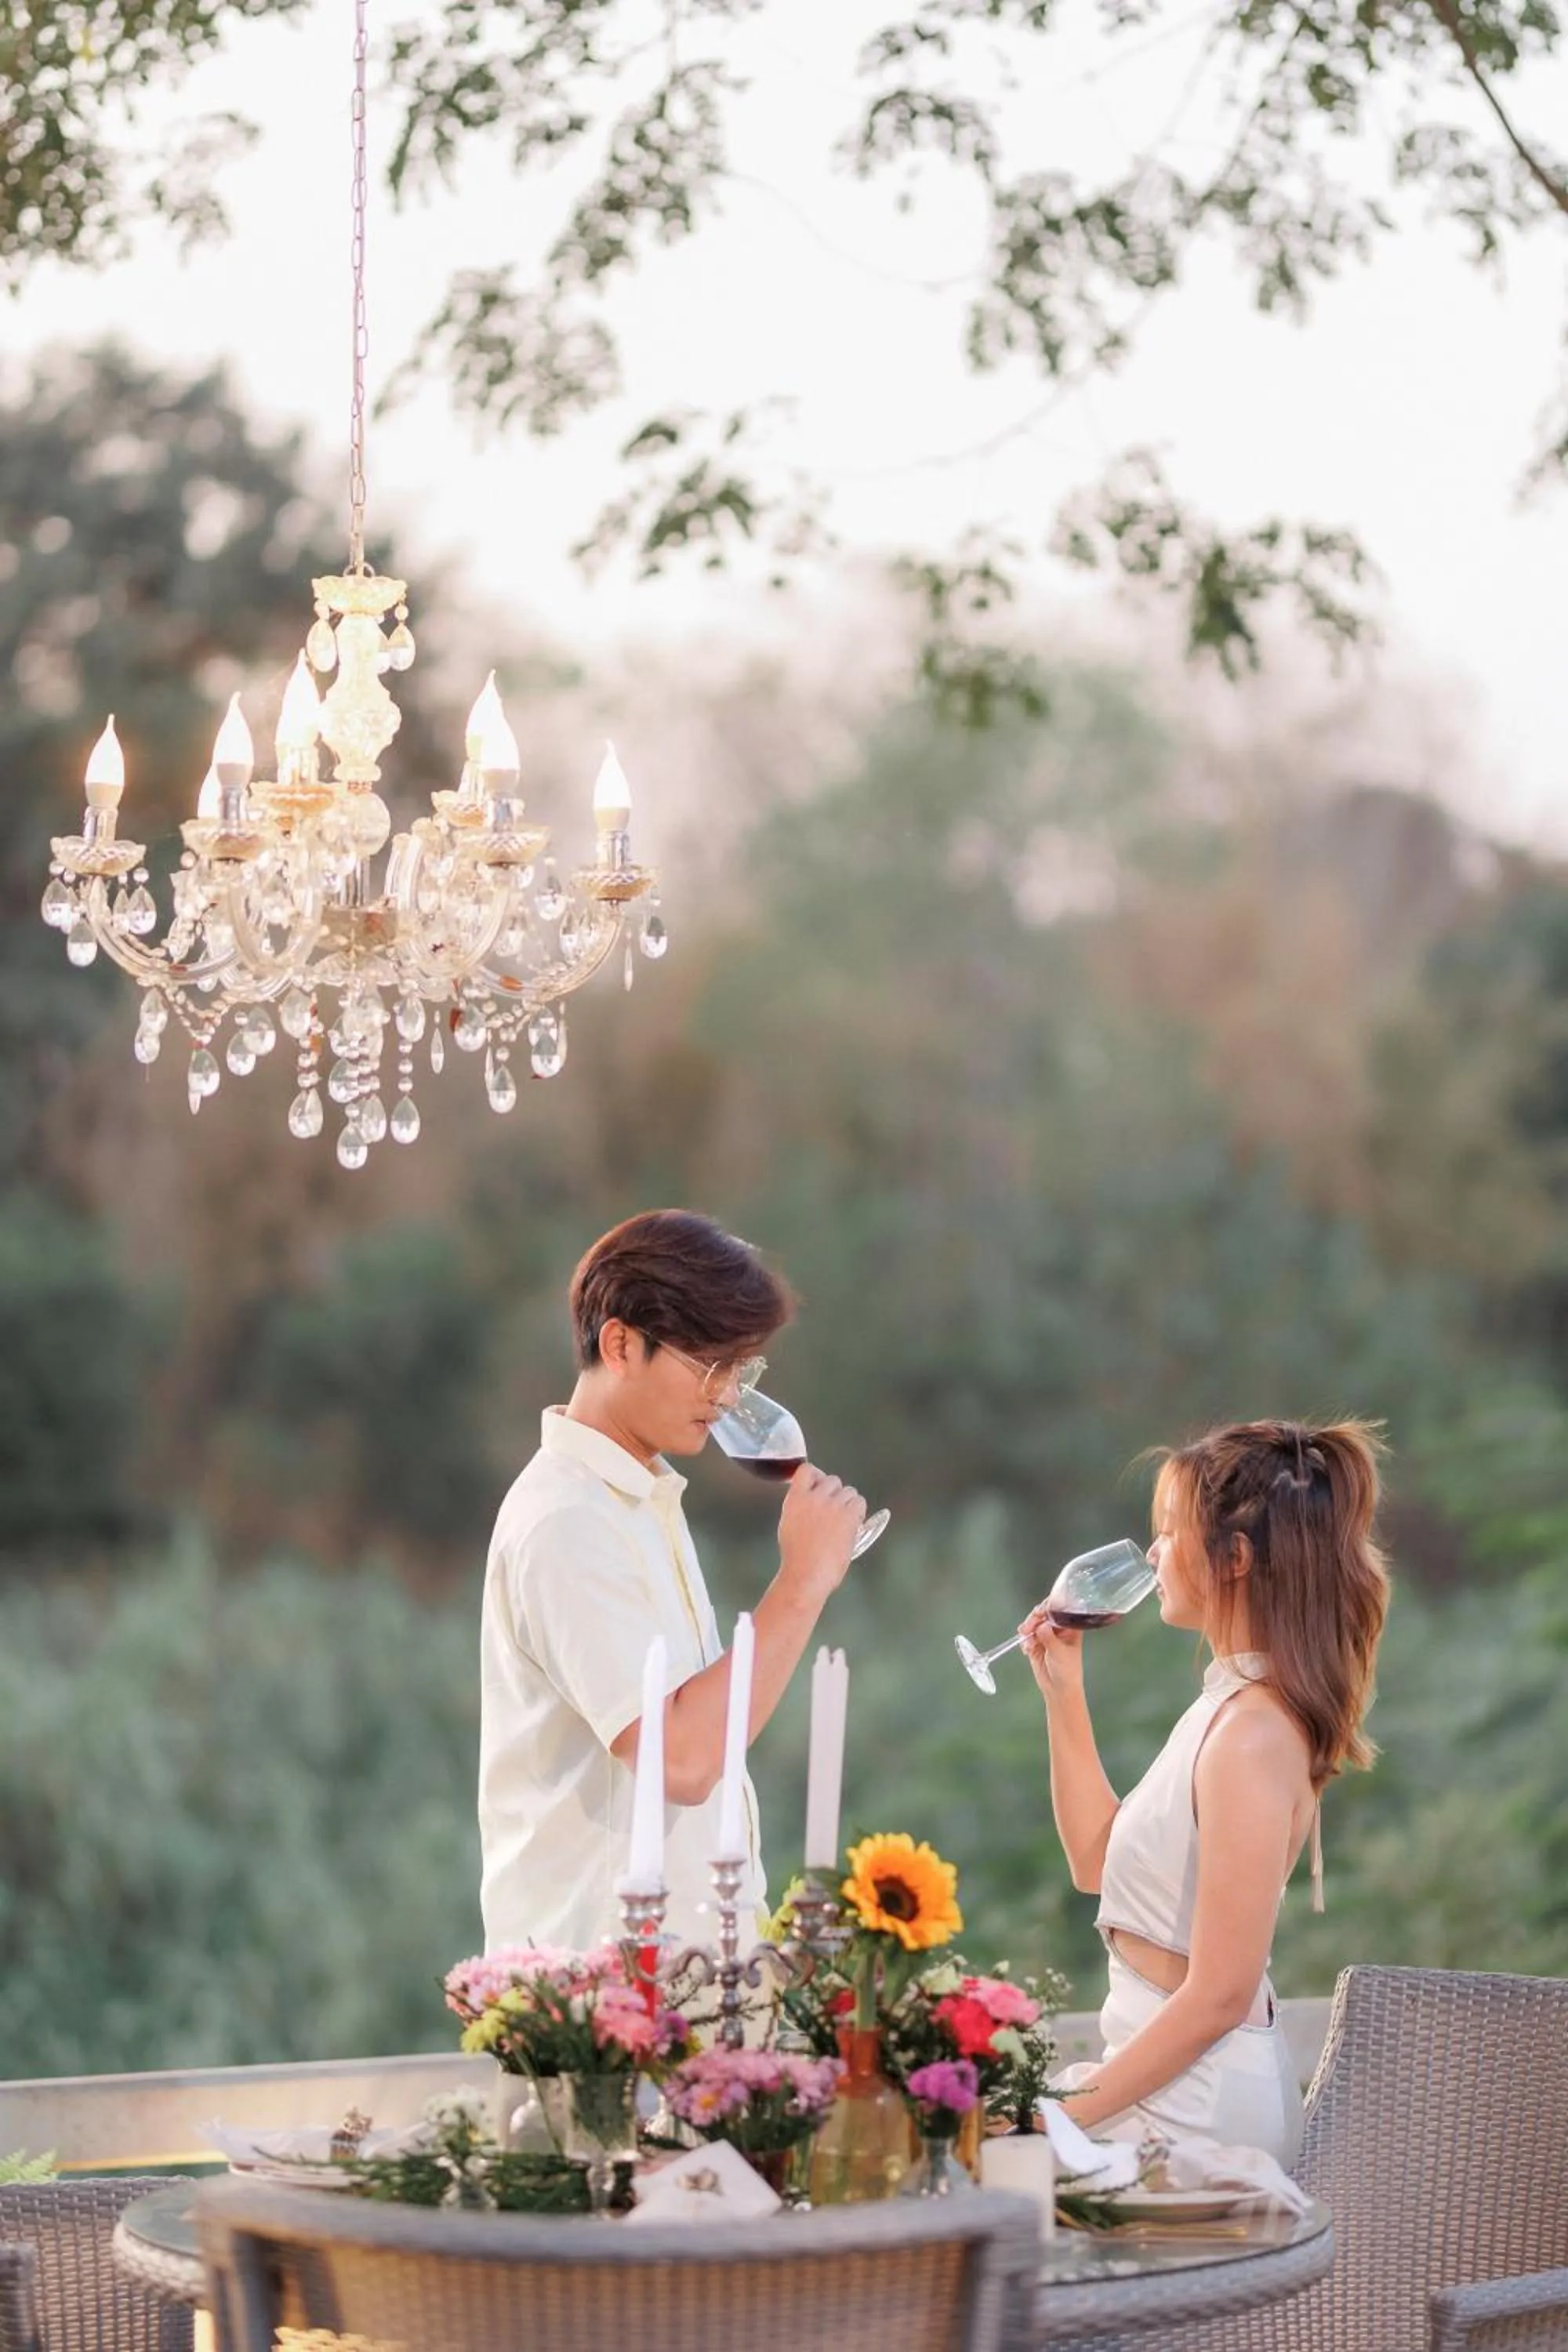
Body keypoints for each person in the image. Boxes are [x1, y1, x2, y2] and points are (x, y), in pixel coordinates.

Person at [478, 1207, 867, 1955]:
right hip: (599, 2005)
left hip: (686, 1981)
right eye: (709, 1365)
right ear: (620, 1343)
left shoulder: (639, 1496)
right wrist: (802, 1582)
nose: (726, 1396)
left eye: (741, 1369)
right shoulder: (568, 1520)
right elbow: (683, 1761)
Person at [1022, 1418, 1389, 2165]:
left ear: (1236, 1558)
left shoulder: (1252, 1735)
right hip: (1158, 2085)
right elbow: (1097, 1868)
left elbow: (1222, 1991)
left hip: (1196, 2111)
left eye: (1167, 1531)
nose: (1153, 1553)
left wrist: (1056, 2117)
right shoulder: (1227, 1706)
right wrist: (1065, 1694)